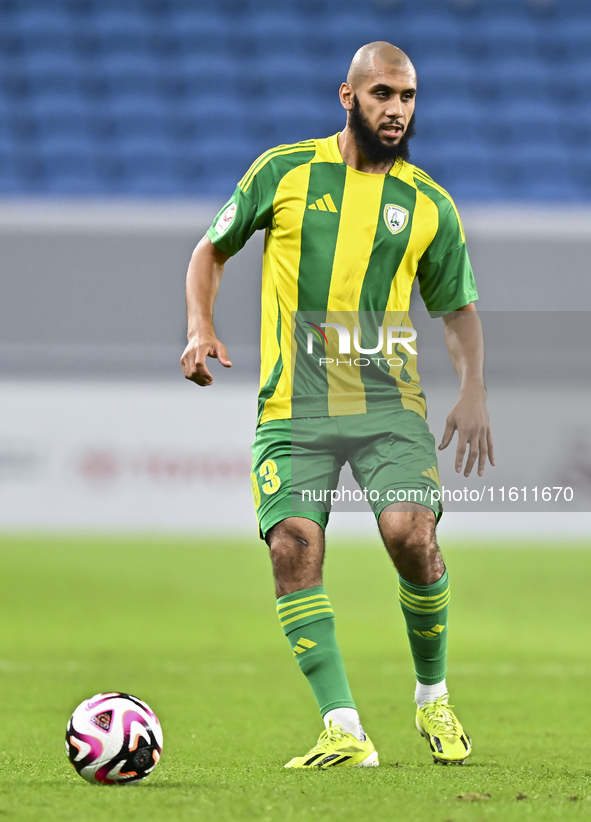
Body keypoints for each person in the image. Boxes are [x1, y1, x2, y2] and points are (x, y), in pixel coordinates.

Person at [181, 41, 494, 769]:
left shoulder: (427, 204)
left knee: (409, 536)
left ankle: (432, 698)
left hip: (388, 407)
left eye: (408, 96)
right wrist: (200, 325)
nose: (396, 109)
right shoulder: (283, 171)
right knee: (292, 544)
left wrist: (473, 388)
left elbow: (458, 310)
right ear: (347, 96)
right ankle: (343, 728)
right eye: (383, 93)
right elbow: (210, 249)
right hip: (294, 409)